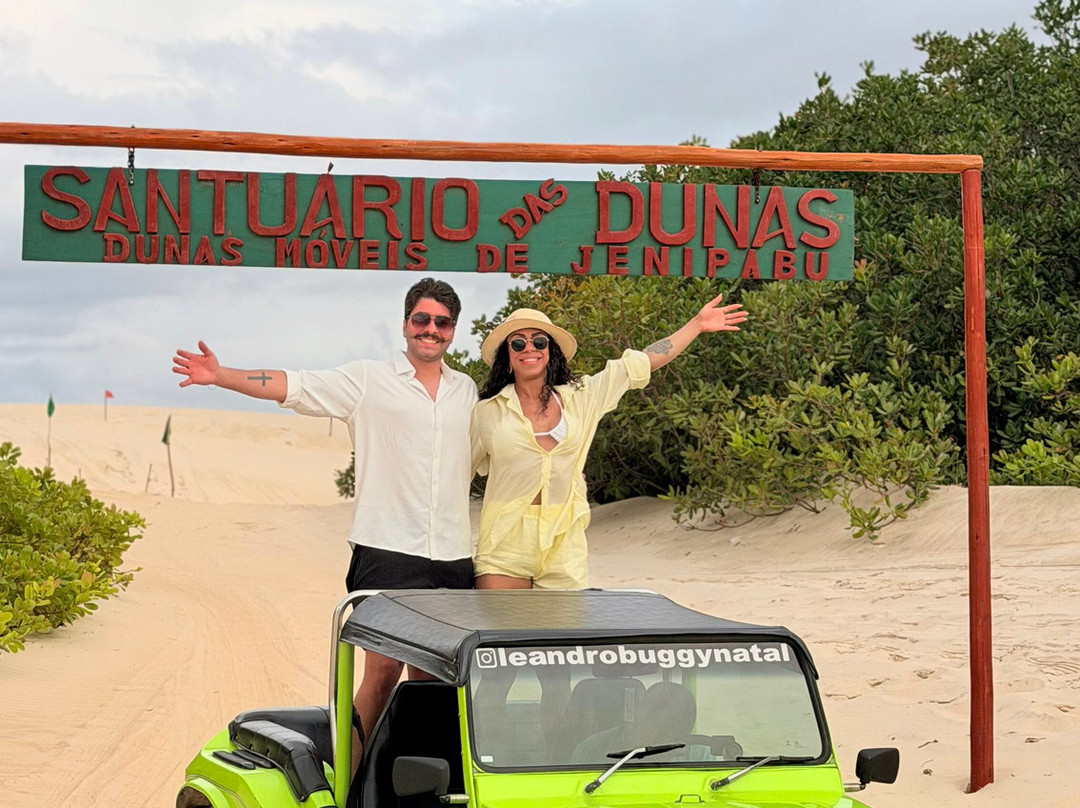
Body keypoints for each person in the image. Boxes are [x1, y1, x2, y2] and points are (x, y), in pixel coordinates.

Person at [171, 277, 477, 768]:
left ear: (453, 330)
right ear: (405, 324)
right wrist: (221, 374)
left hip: (452, 554)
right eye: (422, 319)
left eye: (442, 322)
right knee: (382, 671)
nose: (431, 329)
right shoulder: (368, 379)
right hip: (387, 549)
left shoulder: (467, 390)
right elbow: (294, 385)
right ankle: (346, 784)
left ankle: (413, 787)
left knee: (432, 681)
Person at [471, 292, 748, 590]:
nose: (530, 348)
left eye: (539, 341)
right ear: (507, 357)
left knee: (560, 623)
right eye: (517, 343)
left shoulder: (582, 398)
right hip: (504, 541)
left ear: (550, 352)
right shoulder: (486, 412)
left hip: (565, 541)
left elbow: (641, 363)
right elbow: (457, 474)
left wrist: (696, 324)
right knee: (501, 623)